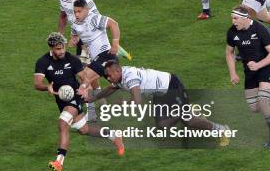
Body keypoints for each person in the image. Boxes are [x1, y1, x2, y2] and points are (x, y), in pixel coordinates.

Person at [34, 33, 124, 171]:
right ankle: (113, 135)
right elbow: (37, 84)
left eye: (63, 47)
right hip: (61, 101)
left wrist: (83, 87)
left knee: (63, 123)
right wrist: (47, 87)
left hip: (75, 97)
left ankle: (59, 162)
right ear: (51, 48)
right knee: (83, 129)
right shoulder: (43, 62)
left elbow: (85, 79)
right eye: (58, 49)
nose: (62, 51)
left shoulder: (72, 60)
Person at [83, 61, 231, 147]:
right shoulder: (119, 78)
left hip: (172, 86)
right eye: (106, 76)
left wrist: (125, 103)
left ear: (117, 71)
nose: (108, 78)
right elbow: (110, 89)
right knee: (162, 126)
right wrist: (92, 98)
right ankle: (186, 110)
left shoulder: (130, 77)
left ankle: (221, 129)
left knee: (188, 121)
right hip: (160, 93)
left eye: (109, 75)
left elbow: (137, 101)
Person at [57, 0, 132, 121]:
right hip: (93, 52)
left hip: (105, 54)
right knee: (113, 82)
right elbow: (72, 31)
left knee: (87, 78)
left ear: (86, 10)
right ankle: (98, 106)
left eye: (79, 11)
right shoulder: (76, 23)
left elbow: (113, 24)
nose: (76, 14)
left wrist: (115, 43)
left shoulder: (93, 16)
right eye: (75, 12)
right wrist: (72, 39)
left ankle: (93, 109)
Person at [225, 6, 270, 148]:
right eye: (232, 18)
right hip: (249, 71)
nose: (233, 21)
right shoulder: (232, 32)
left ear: (246, 18)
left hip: (266, 67)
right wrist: (233, 73)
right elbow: (229, 53)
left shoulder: (260, 29)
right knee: (255, 108)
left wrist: (258, 65)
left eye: (236, 18)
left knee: (263, 102)